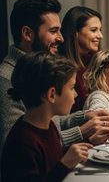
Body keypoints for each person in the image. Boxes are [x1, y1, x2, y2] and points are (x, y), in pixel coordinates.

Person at [0, 0, 109, 160]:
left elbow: (51, 123)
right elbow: (18, 148)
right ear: (27, 33)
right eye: (53, 31)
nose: (61, 38)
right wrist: (81, 132)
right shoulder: (6, 78)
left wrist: (84, 117)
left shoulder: (38, 69)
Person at [2, 52, 93, 181]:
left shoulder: (48, 125)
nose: (76, 94)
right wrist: (64, 165)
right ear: (52, 94)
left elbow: (53, 157)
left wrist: (89, 143)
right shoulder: (23, 143)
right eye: (72, 88)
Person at [60, 6, 109, 112]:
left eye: (100, 30)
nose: (100, 36)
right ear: (75, 33)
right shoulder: (64, 68)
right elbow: (90, 106)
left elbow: (102, 96)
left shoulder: (96, 60)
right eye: (94, 30)